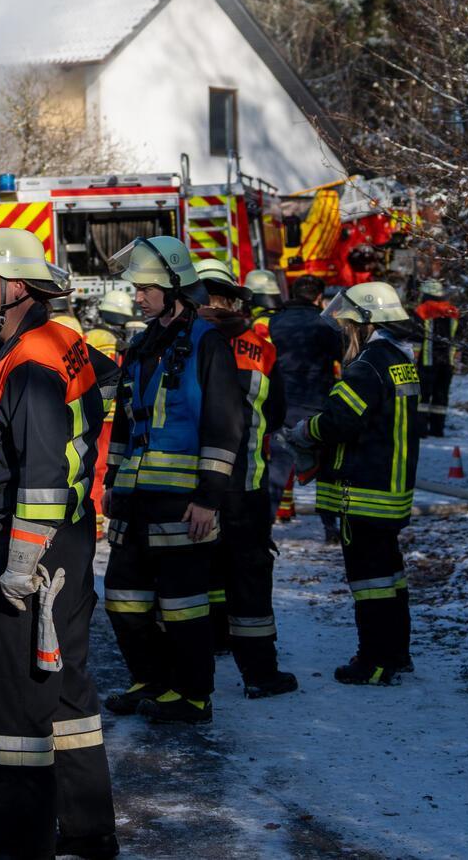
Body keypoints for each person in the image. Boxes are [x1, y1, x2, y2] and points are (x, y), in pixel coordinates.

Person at [0, 228, 115, 860]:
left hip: (31, 552)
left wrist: (19, 562)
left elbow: (41, 472)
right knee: (69, 690)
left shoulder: (26, 365)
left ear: (17, 287)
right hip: (68, 545)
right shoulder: (63, 342)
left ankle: (21, 846)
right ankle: (88, 829)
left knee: (18, 707)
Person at [100, 236, 249, 726]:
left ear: (175, 288)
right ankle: (151, 680)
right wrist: (112, 484)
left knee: (184, 604)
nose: (136, 297)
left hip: (184, 502)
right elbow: (124, 422)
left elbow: (226, 425)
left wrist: (209, 498)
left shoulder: (208, 343)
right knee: (124, 595)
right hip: (136, 498)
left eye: (145, 289)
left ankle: (192, 695)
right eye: (137, 289)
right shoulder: (143, 343)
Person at [298, 281, 423, 685]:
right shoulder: (399, 360)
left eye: (348, 323)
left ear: (367, 323)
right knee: (390, 576)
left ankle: (374, 662)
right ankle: (396, 654)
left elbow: (339, 421)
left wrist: (304, 431)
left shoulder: (367, 366)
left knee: (369, 582)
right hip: (390, 490)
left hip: (363, 491)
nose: (344, 331)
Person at [192, 261, 299, 699]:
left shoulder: (183, 344)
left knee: (201, 572)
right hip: (245, 487)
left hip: (193, 486)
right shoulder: (261, 348)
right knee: (249, 579)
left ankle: (208, 650)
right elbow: (275, 416)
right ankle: (259, 673)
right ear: (238, 301)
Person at [267, 275, 348, 542]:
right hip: (317, 403)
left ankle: (264, 526)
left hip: (283, 403)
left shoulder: (275, 321)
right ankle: (330, 527)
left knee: (279, 464)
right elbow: (342, 356)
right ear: (318, 297)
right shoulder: (325, 323)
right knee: (326, 467)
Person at [414, 279, 461, 437]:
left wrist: (413, 360)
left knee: (423, 397)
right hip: (447, 362)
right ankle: (437, 429)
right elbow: (458, 337)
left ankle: (420, 430)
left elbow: (415, 337)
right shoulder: (453, 311)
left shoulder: (422, 310)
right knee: (441, 396)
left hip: (427, 360)